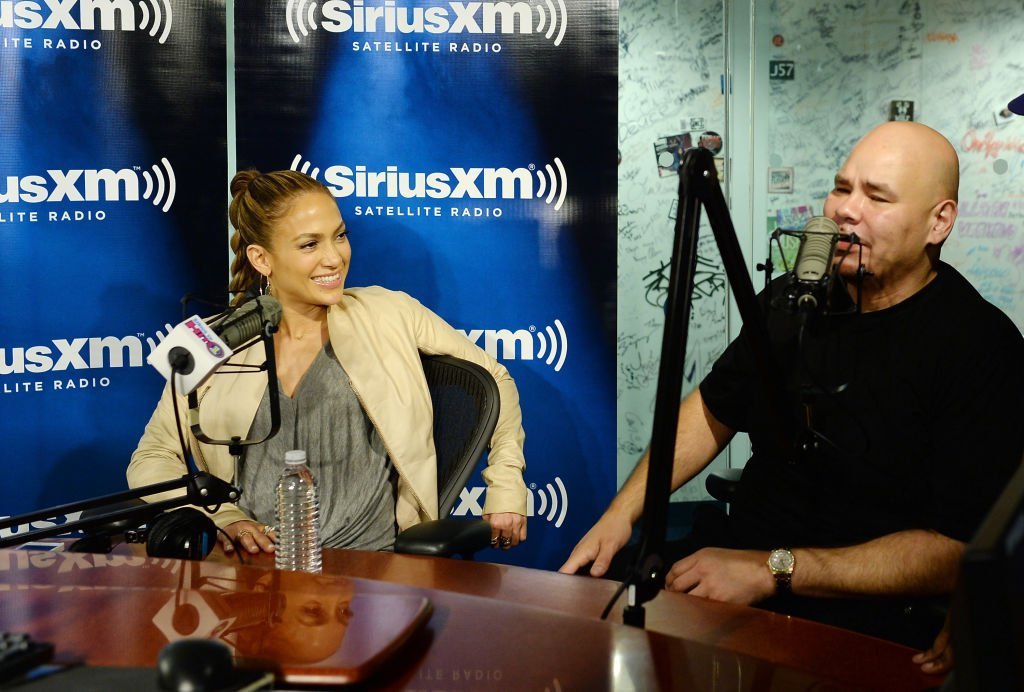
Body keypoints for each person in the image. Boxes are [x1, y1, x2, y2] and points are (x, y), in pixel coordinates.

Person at [560, 121, 1024, 659]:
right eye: (841, 187)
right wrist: (623, 512)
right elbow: (713, 408)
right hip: (736, 570)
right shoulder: (791, 299)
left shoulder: (980, 346)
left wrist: (773, 570)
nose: (845, 210)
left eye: (876, 196)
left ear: (938, 222)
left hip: (863, 611)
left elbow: (954, 549)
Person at [128, 169, 528, 554]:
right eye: (309, 244)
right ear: (261, 258)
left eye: (339, 237)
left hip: (370, 574)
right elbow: (155, 456)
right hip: (253, 574)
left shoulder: (390, 312)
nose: (334, 258)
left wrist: (506, 487)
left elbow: (495, 377)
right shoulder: (212, 340)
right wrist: (223, 518)